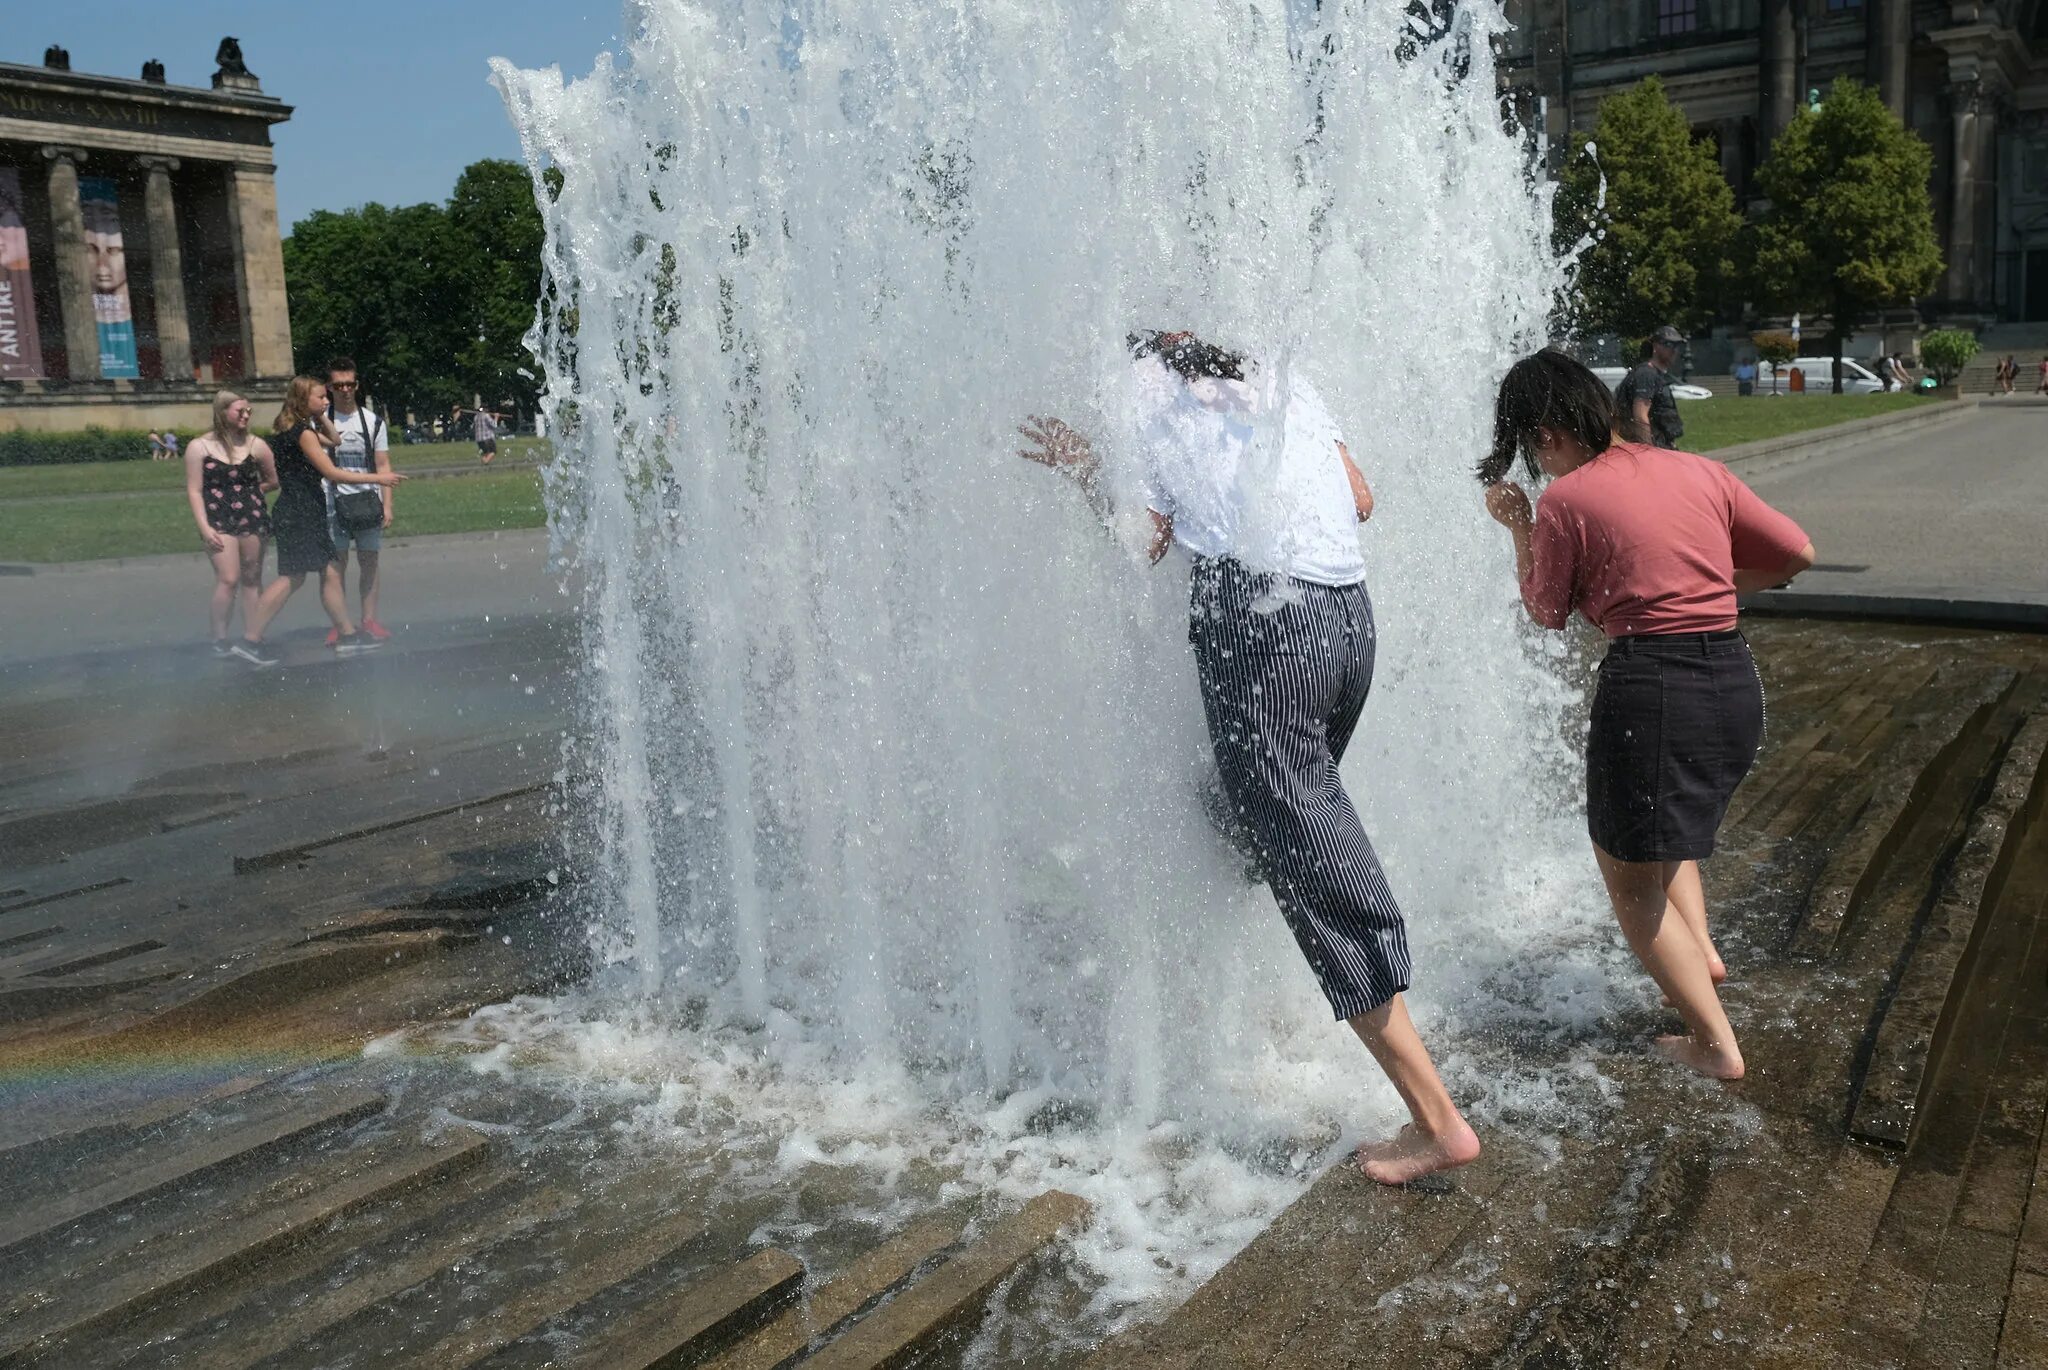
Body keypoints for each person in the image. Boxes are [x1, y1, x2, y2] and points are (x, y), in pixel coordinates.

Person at [1019, 330, 1480, 1185]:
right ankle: (1236, 992)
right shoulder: (1276, 377)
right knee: (1237, 819)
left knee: (1316, 868)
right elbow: (1361, 496)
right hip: (1348, 624)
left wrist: (1089, 469)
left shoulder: (1137, 390)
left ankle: (1436, 1120)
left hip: (1264, 629)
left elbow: (1141, 540)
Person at [1479, 349, 1815, 1082]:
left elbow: (1545, 610)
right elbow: (1797, 552)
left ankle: (1715, 1045)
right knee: (1668, 839)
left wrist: (1519, 526)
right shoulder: (1697, 469)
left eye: (1531, 451)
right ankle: (1698, 960)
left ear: (1545, 434)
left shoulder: (1568, 500)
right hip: (1733, 679)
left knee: (1627, 876)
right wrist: (1702, 583)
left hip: (1653, 688)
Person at [241, 376, 405, 660]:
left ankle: (347, 635)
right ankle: (250, 640)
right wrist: (381, 478)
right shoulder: (302, 433)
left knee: (329, 572)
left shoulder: (291, 428)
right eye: (320, 398)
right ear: (302, 401)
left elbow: (336, 440)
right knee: (292, 578)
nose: (327, 401)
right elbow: (332, 472)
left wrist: (320, 416)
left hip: (300, 509)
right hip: (300, 510)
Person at [183, 390, 275, 661]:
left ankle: (252, 636)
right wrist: (204, 527)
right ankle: (219, 639)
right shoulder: (199, 447)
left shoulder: (256, 445)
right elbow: (194, 491)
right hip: (217, 519)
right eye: (240, 411)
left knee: (251, 578)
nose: (246, 415)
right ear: (222, 412)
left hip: (252, 517)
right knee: (228, 578)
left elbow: (273, 479)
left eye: (249, 411)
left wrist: (248, 493)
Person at [322, 357, 394, 643]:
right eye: (338, 385)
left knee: (369, 562)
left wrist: (387, 504)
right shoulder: (320, 420)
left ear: (357, 385)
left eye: (349, 384)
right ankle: (341, 622)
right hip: (331, 501)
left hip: (367, 499)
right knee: (336, 566)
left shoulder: (373, 422)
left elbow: (383, 465)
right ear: (329, 387)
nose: (344, 390)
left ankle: (368, 620)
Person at [1615, 325, 1684, 448]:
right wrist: (1649, 452)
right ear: (1656, 346)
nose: (1674, 350)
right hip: (1651, 448)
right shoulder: (1646, 374)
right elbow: (1640, 416)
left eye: (1677, 345)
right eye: (1669, 344)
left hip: (1662, 446)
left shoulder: (1655, 374)